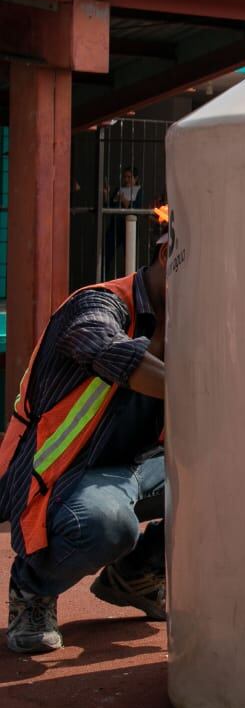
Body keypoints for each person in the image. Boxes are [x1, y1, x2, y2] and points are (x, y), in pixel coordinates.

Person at [1, 234, 170, 653]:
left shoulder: (194, 321)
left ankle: (137, 572)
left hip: (143, 464)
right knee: (106, 525)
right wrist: (203, 391)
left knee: (243, 481)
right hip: (69, 469)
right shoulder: (97, 304)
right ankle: (32, 586)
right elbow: (104, 347)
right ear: (169, 255)